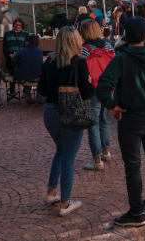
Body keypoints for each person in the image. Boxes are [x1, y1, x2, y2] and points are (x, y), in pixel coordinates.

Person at [96, 16, 145, 227]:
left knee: (134, 165)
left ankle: (137, 211)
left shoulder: (122, 58)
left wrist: (112, 106)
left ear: (126, 36)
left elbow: (102, 86)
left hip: (131, 119)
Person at [39, 26, 94, 216]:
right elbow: (87, 93)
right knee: (68, 157)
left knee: (61, 151)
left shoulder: (49, 61)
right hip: (71, 112)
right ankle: (64, 203)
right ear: (76, 41)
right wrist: (88, 80)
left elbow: (42, 90)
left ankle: (52, 191)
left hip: (51, 111)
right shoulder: (79, 62)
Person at [79, 20, 115, 171]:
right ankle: (106, 151)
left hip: (93, 88)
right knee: (104, 120)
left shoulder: (85, 49)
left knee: (93, 123)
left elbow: (82, 70)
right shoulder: (108, 45)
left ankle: (97, 160)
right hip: (108, 88)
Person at [11, 34, 44, 104]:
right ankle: (39, 95)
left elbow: (13, 62)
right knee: (38, 73)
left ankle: (28, 95)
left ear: (28, 42)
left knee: (25, 72)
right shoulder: (40, 51)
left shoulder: (21, 50)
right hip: (38, 77)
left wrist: (15, 57)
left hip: (23, 77)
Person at [3, 18, 28, 89]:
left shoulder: (25, 34)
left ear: (22, 26)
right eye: (16, 24)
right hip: (10, 57)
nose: (17, 26)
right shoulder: (7, 34)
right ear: (13, 25)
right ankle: (12, 88)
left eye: (19, 25)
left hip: (22, 58)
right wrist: (9, 54)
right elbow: (4, 46)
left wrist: (21, 54)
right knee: (12, 74)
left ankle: (25, 91)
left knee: (23, 74)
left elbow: (27, 46)